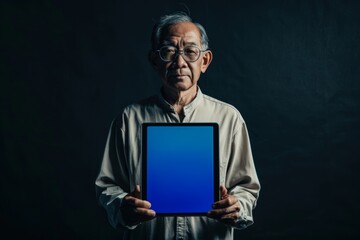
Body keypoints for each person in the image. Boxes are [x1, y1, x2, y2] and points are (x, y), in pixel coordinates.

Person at [95, 12, 260, 240]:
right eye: (169, 51)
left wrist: (238, 207)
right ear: (154, 60)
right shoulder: (128, 119)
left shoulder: (229, 118)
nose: (179, 62)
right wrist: (123, 207)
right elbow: (107, 186)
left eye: (190, 51)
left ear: (204, 61)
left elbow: (247, 188)